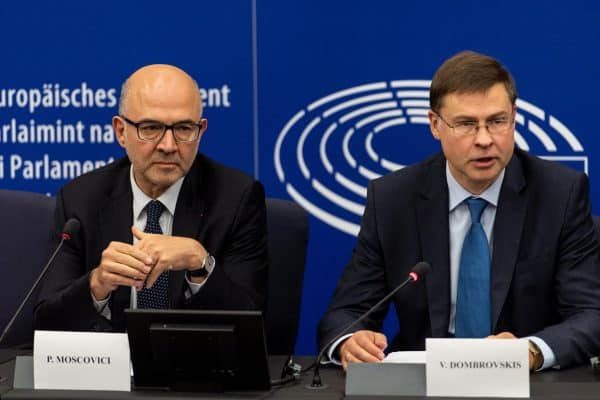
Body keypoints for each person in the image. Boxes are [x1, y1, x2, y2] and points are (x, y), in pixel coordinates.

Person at [318, 51, 600, 371]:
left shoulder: (559, 194)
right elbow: (345, 313)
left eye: (497, 121)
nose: (484, 139)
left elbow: (590, 315)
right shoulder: (393, 199)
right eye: (466, 124)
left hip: (525, 383)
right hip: (423, 385)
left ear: (514, 117)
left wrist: (530, 351)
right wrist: (350, 341)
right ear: (435, 125)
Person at [34, 64, 267, 332]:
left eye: (183, 128)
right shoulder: (81, 199)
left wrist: (201, 263)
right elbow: (45, 323)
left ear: (200, 131)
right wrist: (97, 285)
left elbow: (253, 325)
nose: (168, 145)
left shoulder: (235, 198)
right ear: (121, 131)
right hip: (111, 368)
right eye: (151, 127)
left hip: (195, 368)